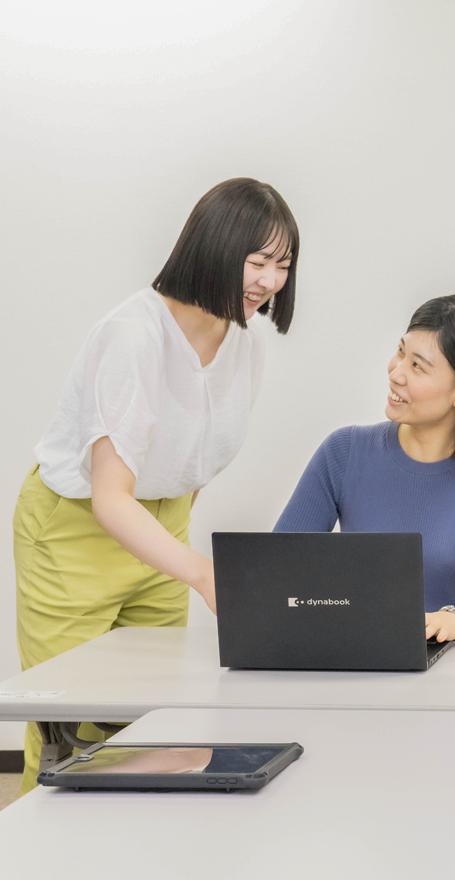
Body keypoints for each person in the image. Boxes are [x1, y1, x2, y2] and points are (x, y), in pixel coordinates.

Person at [13, 177, 299, 791]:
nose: (270, 281)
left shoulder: (246, 343)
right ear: (213, 249)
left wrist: (178, 547)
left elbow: (192, 460)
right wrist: (200, 571)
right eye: (257, 262)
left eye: (283, 265)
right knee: (67, 724)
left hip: (160, 526)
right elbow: (110, 496)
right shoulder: (133, 335)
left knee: (152, 725)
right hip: (74, 530)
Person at [274, 293, 455, 641]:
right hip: (357, 662)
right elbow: (275, 575)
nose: (396, 373)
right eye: (400, 352)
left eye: (418, 366)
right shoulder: (343, 452)